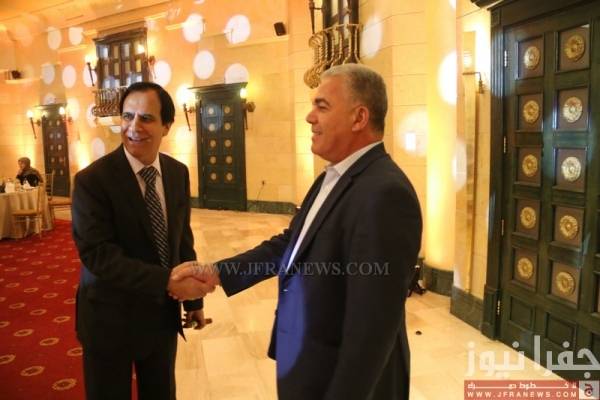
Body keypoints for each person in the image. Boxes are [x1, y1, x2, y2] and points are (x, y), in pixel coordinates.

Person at [171, 64, 423, 400]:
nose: (309, 117)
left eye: (322, 106)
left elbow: (370, 332)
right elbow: (290, 246)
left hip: (336, 379)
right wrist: (216, 272)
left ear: (359, 118)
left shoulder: (385, 194)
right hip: (309, 364)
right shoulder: (332, 177)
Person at [71, 82, 213, 400]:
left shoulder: (177, 173)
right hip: (109, 320)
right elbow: (98, 255)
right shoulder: (92, 181)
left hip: (160, 318)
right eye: (127, 116)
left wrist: (193, 303)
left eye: (146, 118)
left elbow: (181, 239)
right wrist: (168, 281)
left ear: (166, 126)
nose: (134, 127)